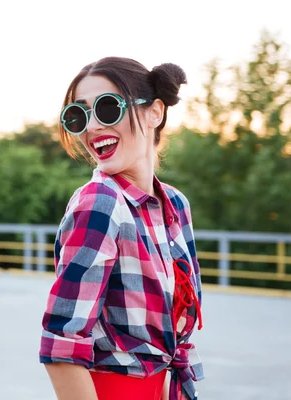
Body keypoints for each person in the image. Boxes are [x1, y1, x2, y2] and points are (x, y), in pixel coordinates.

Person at [39, 56, 204, 400]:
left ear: (154, 112)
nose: (93, 127)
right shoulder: (99, 202)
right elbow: (62, 343)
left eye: (108, 108)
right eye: (78, 116)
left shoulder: (175, 205)